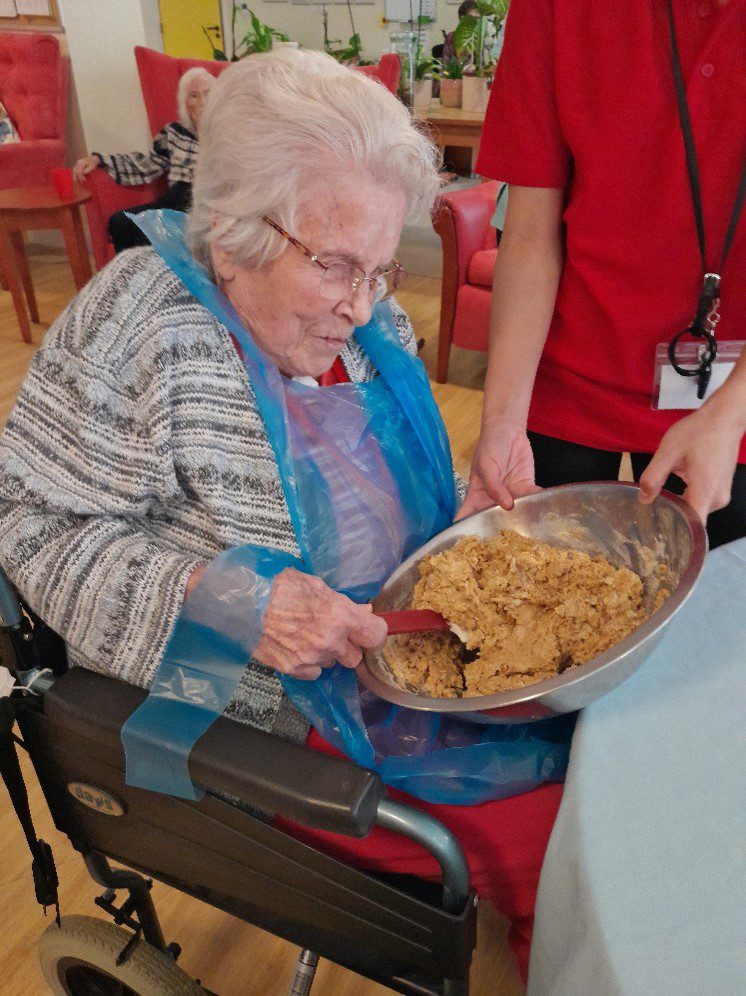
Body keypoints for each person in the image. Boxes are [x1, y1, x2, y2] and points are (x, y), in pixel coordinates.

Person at [0, 49, 563, 981]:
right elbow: (29, 522)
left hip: (408, 670)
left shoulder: (368, 321)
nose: (365, 306)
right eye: (335, 265)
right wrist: (231, 601)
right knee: (562, 837)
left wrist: (463, 525)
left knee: (607, 747)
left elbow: (378, 495)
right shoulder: (139, 324)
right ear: (231, 235)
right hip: (264, 726)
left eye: (380, 268)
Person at [462, 0, 745, 548]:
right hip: (568, 375)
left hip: (733, 392)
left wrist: (731, 414)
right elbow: (530, 232)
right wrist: (501, 423)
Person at [72, 66, 215, 253]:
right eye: (194, 95)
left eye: (207, 94)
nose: (202, 101)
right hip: (174, 201)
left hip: (204, 206)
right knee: (120, 221)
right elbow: (146, 165)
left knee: (157, 234)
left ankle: (158, 270)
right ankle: (132, 270)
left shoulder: (228, 132)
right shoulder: (174, 132)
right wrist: (99, 159)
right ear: (184, 102)